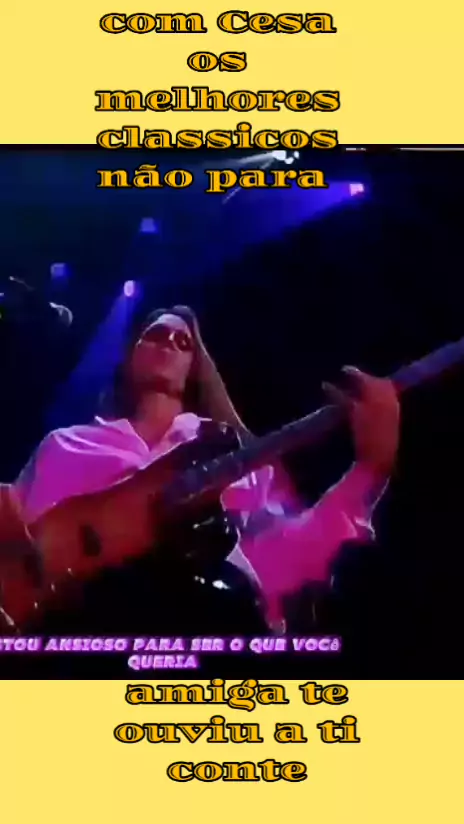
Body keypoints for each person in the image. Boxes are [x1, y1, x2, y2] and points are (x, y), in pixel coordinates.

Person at [0, 305, 400, 636]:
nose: (168, 343)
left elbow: (291, 555)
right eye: (155, 335)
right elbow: (15, 556)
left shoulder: (231, 453)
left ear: (194, 368)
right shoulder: (64, 445)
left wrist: (370, 468)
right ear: (129, 354)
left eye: (183, 342)